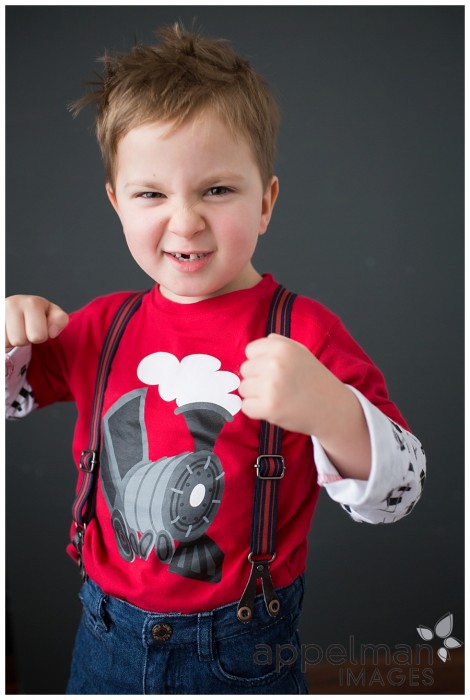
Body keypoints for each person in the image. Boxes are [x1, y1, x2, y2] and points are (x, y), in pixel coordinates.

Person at [5, 24, 426, 695]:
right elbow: (9, 394)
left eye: (217, 191)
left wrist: (332, 412)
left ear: (266, 201)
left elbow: (401, 491)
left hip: (242, 652)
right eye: (151, 194)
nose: (185, 220)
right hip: (105, 639)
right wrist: (8, 338)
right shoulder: (101, 327)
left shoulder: (304, 332)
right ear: (117, 204)